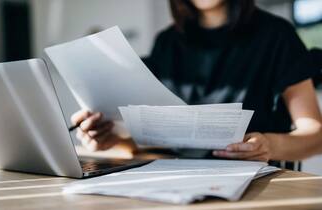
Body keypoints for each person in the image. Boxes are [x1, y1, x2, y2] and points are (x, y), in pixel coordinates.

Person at [71, 0, 322, 163]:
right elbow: (161, 140)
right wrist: (114, 139)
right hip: (178, 181)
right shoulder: (166, 43)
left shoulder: (277, 36)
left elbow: (316, 135)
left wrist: (270, 145)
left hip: (258, 184)